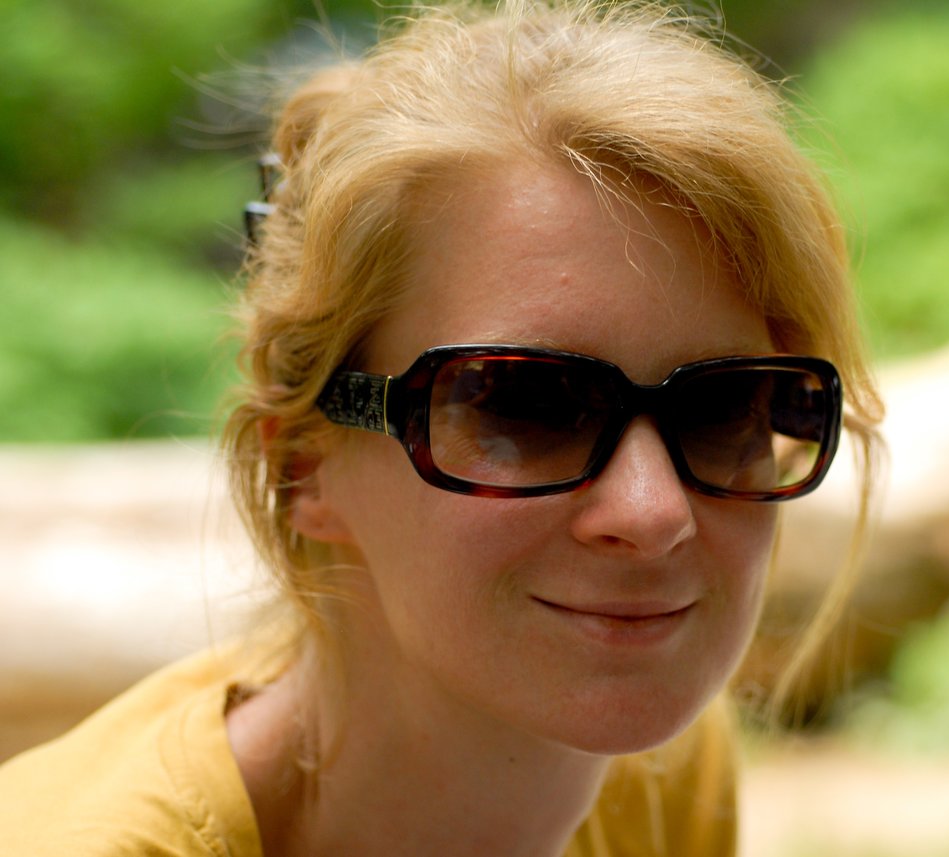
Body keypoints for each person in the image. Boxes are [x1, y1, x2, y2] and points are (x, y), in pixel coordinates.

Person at [0, 1, 882, 854]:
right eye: (521, 406)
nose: (653, 512)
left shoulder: (660, 765)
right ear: (304, 462)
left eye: (727, 406)